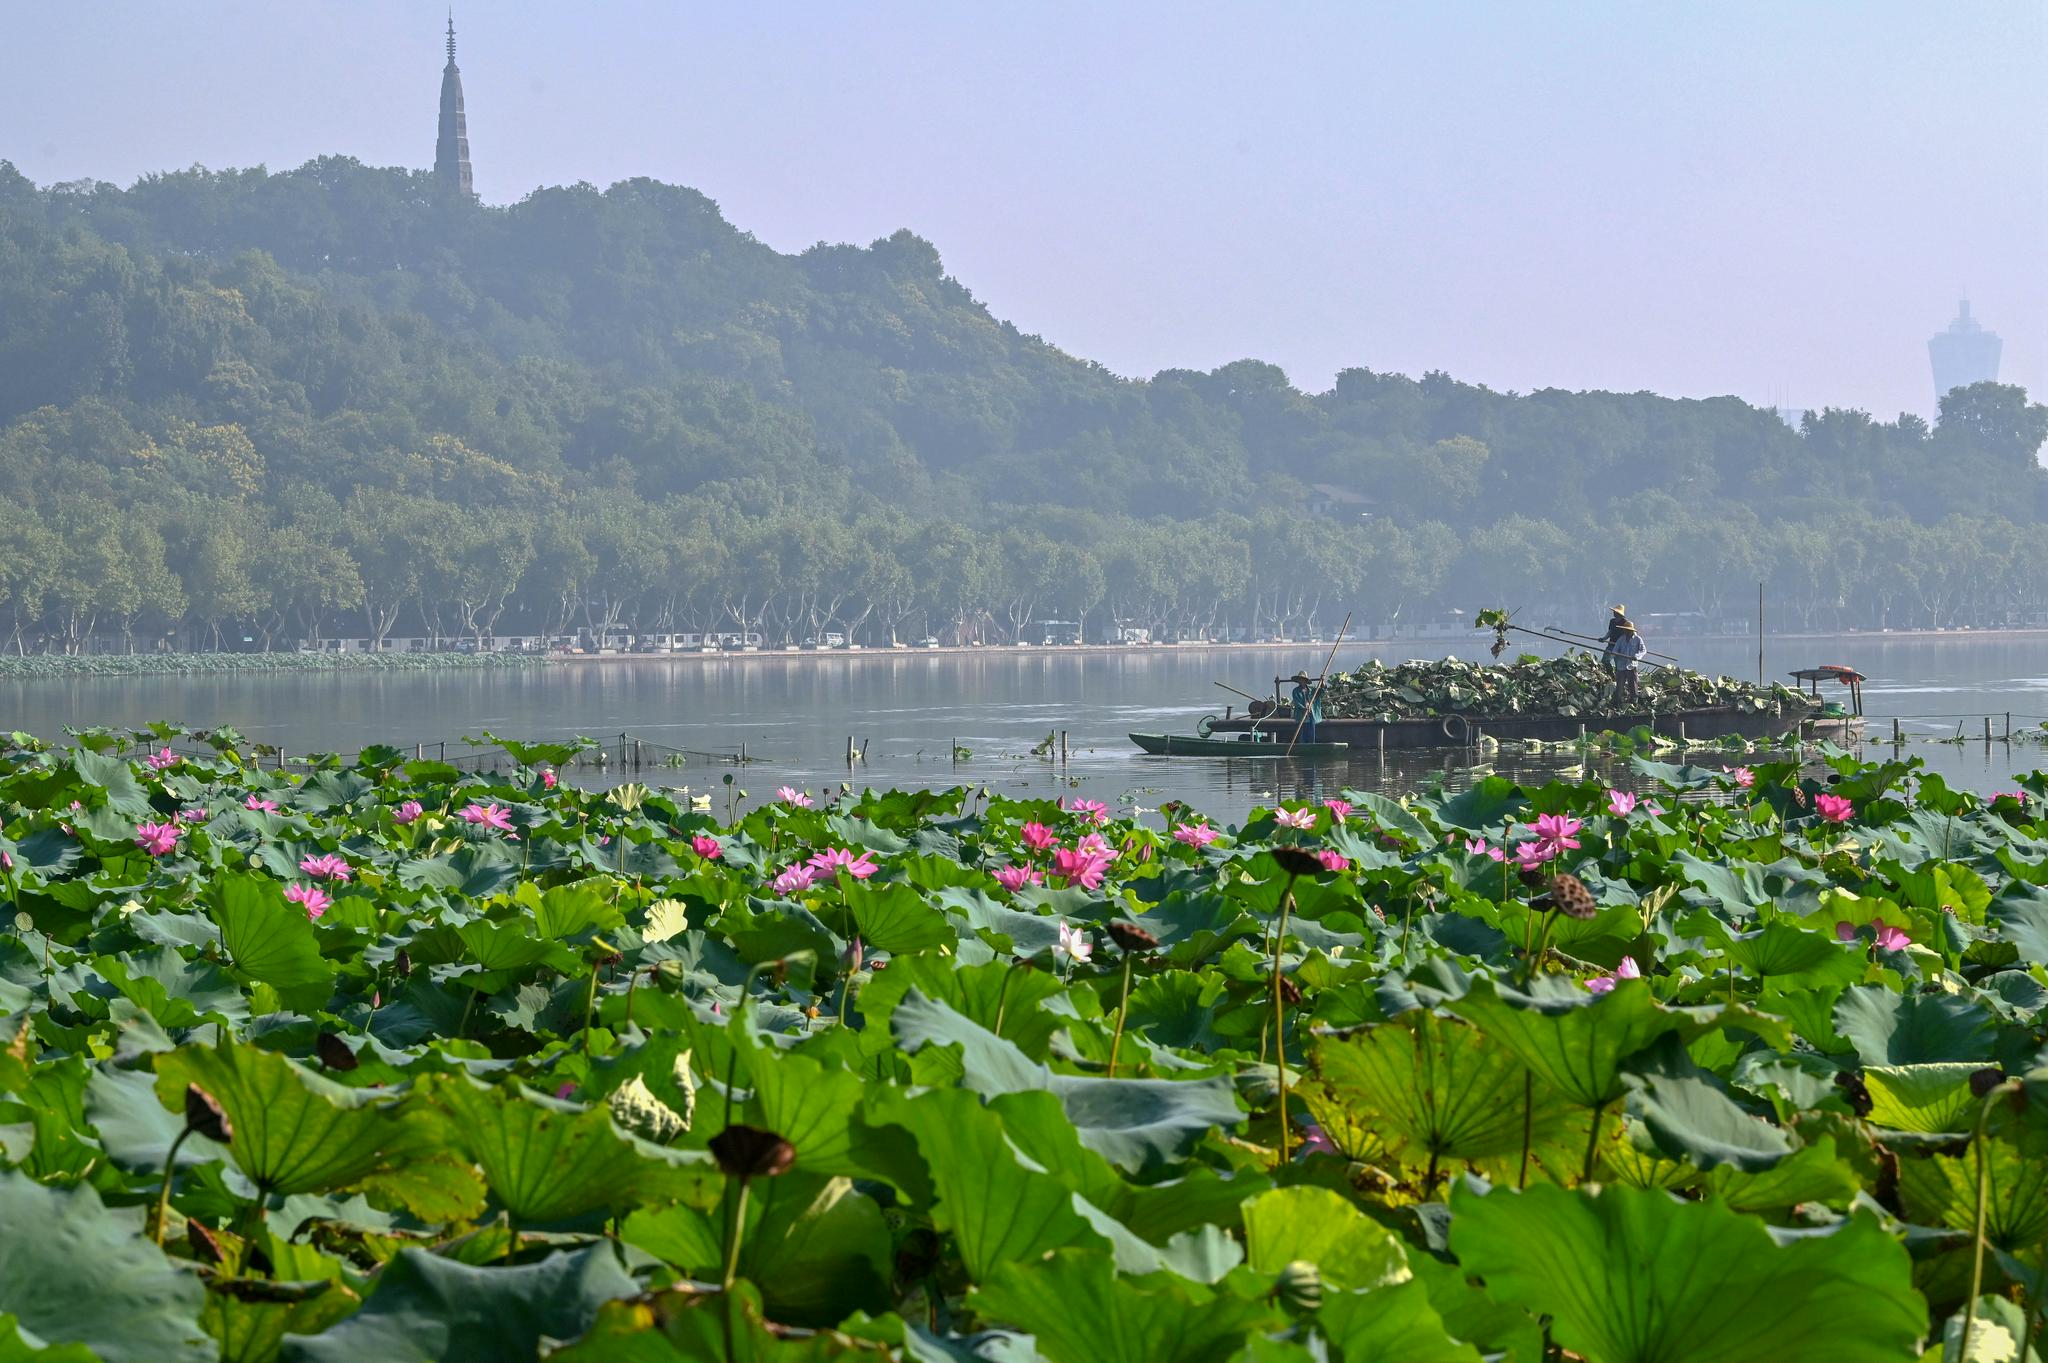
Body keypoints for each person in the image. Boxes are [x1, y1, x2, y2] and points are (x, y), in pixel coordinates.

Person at [1601, 607, 1646, 707]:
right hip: (1621, 666)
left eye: (1627, 630)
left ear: (1631, 631)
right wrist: (1614, 653)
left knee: (1632, 685)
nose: (1625, 632)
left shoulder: (1638, 639)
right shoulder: (1621, 639)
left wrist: (1636, 656)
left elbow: (1643, 650)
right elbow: (1615, 649)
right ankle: (1617, 703)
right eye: (1625, 630)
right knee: (1619, 686)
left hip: (1631, 666)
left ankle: (1634, 702)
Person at [1289, 671, 1323, 743]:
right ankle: (1303, 746)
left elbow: (1321, 692)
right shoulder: (1296, 691)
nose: (1300, 681)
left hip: (1311, 715)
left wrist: (1322, 681)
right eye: (1299, 679)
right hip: (1301, 715)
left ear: (1305, 681)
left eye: (1302, 679)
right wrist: (1303, 708)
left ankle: (1311, 746)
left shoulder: (1311, 689)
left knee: (1311, 733)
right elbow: (1297, 702)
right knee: (1302, 734)